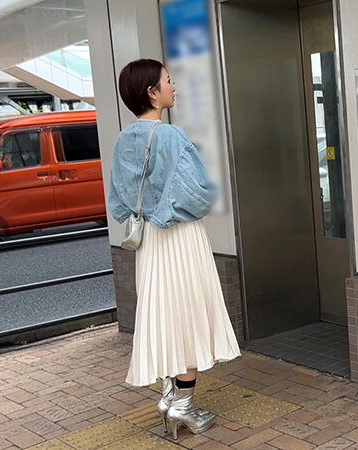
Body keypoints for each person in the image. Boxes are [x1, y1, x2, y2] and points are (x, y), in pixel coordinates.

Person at [107, 58, 241, 440]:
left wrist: (151, 212)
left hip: (148, 242)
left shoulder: (123, 140)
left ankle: (169, 396)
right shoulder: (172, 137)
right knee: (188, 314)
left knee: (163, 314)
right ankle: (184, 404)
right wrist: (171, 210)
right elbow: (199, 194)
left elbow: (118, 201)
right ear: (152, 92)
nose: (173, 86)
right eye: (168, 80)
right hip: (180, 238)